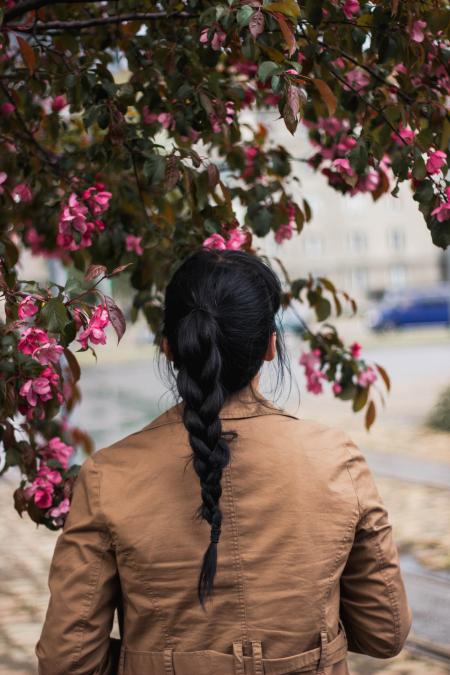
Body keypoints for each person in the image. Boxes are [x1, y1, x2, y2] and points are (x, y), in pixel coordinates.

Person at [36, 248, 412, 675]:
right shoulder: (337, 460)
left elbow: (67, 661)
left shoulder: (108, 476)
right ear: (271, 344)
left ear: (170, 347)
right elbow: (385, 633)